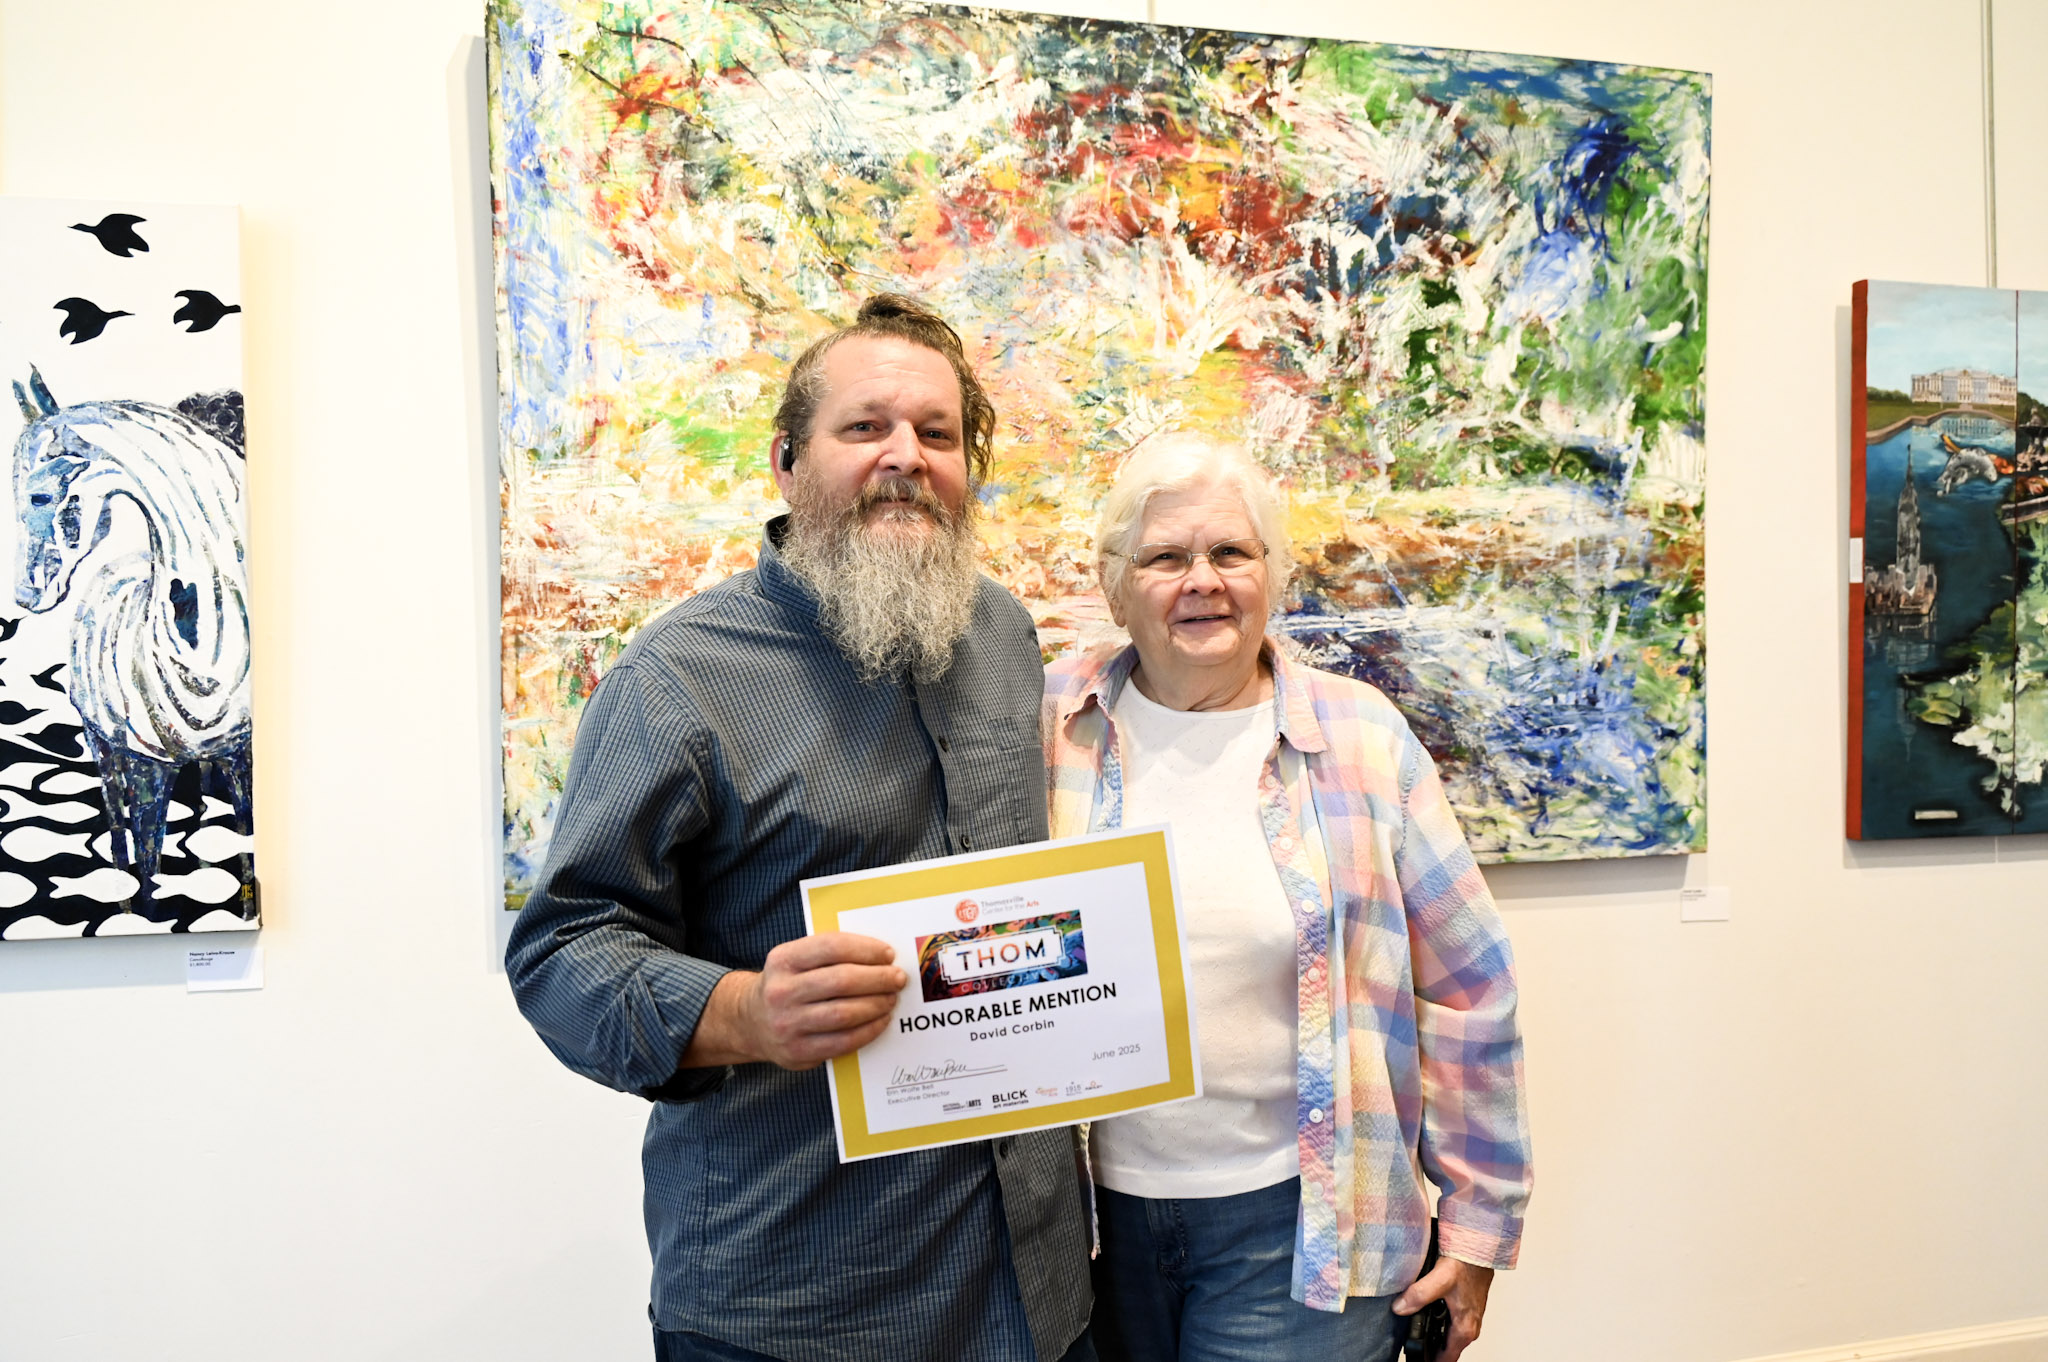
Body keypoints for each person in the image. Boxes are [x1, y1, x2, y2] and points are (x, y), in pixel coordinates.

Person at [506, 294, 1093, 1362]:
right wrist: (742, 1012)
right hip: (799, 1302)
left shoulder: (1004, 635)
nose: (905, 457)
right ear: (786, 459)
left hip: (1032, 1293)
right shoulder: (678, 679)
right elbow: (559, 954)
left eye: (937, 433)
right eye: (863, 427)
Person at [1042, 435, 1532, 1362]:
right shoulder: (1049, 723)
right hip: (1085, 1228)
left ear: (1273, 573)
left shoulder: (1362, 736)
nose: (1203, 581)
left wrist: (1477, 1228)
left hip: (1301, 1228)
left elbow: (1473, 990)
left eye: (1231, 553)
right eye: (1165, 558)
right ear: (1115, 586)